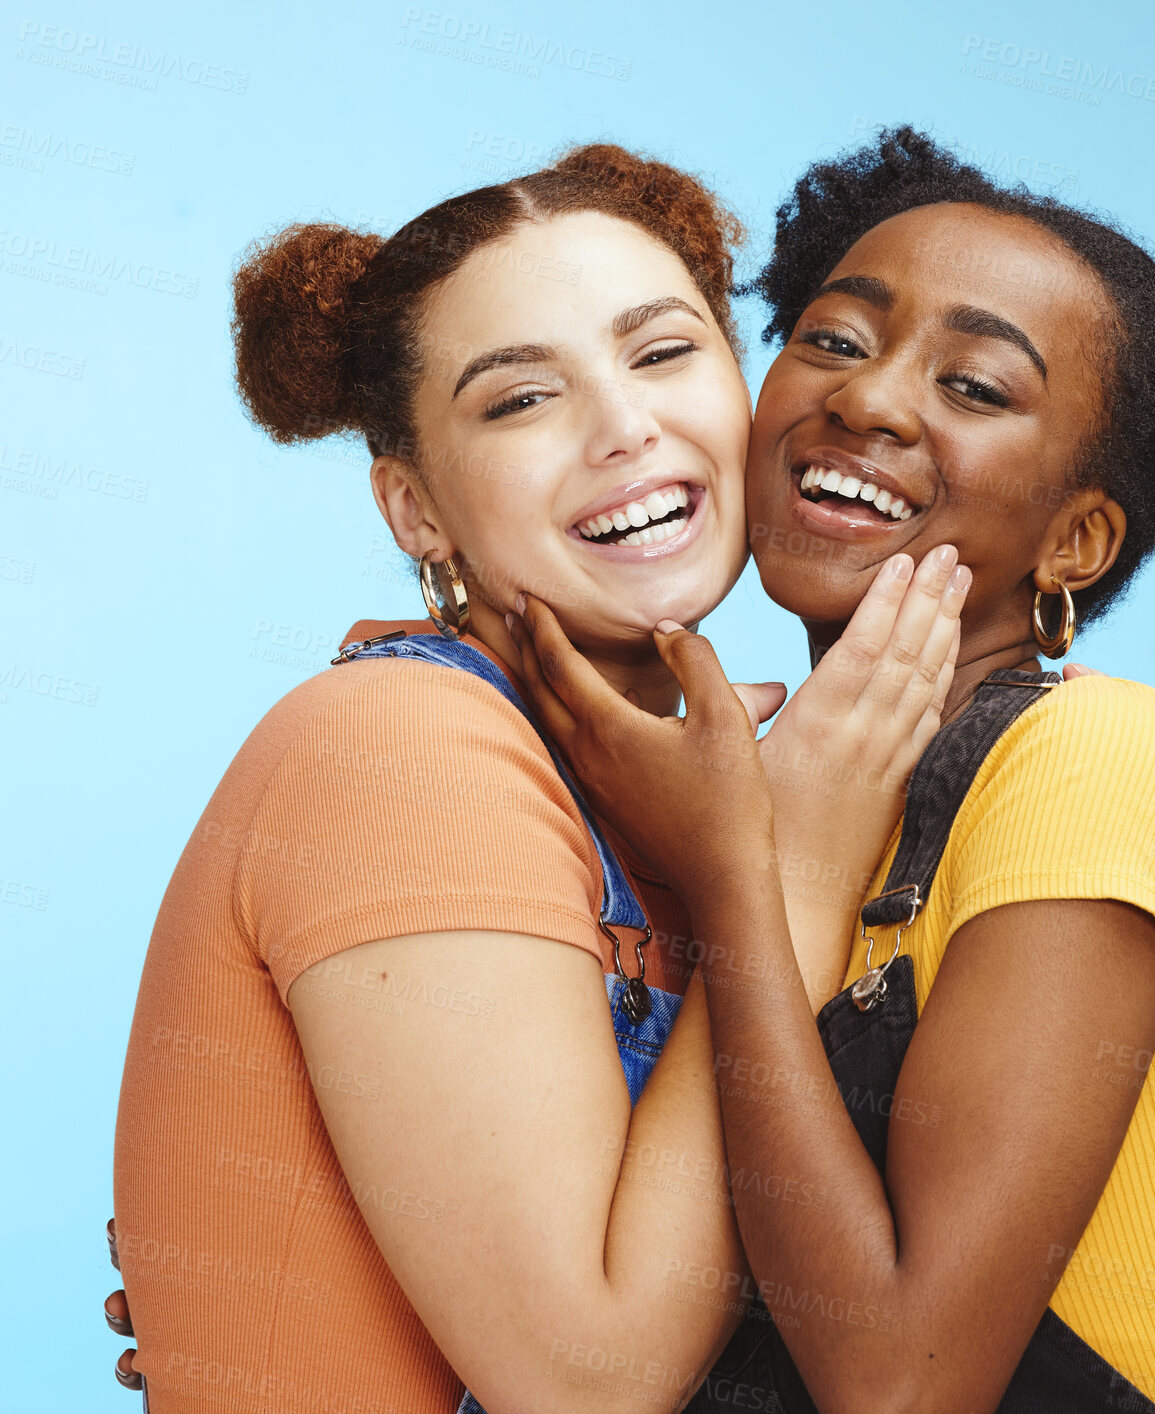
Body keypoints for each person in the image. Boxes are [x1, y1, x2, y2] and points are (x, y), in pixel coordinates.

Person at [506, 127, 1155, 1414]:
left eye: (973, 388)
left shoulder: (1089, 758)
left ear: (1075, 541)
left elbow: (901, 1384)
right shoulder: (783, 774)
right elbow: (612, 1271)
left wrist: (736, 873)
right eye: (834, 340)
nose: (867, 399)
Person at [109, 143, 965, 1413]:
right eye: (518, 400)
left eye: (664, 352)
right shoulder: (403, 750)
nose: (626, 427)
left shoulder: (655, 791)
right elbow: (585, 1385)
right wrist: (790, 856)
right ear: (414, 509)